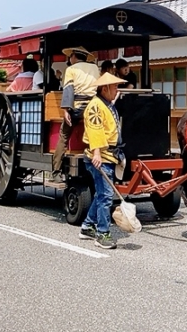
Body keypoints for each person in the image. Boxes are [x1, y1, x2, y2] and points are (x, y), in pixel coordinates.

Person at [77, 72, 126, 249]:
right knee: (106, 196)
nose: (116, 90)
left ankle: (87, 226)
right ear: (104, 88)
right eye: (114, 87)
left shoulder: (105, 104)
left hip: (109, 155)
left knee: (101, 194)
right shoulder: (96, 107)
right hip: (100, 156)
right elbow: (95, 130)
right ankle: (102, 233)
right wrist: (96, 153)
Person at [53, 46, 100, 181]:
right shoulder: (95, 68)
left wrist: (66, 110)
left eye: (70, 56)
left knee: (63, 135)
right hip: (93, 107)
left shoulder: (71, 69)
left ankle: (56, 171)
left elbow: (68, 90)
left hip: (78, 108)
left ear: (74, 56)